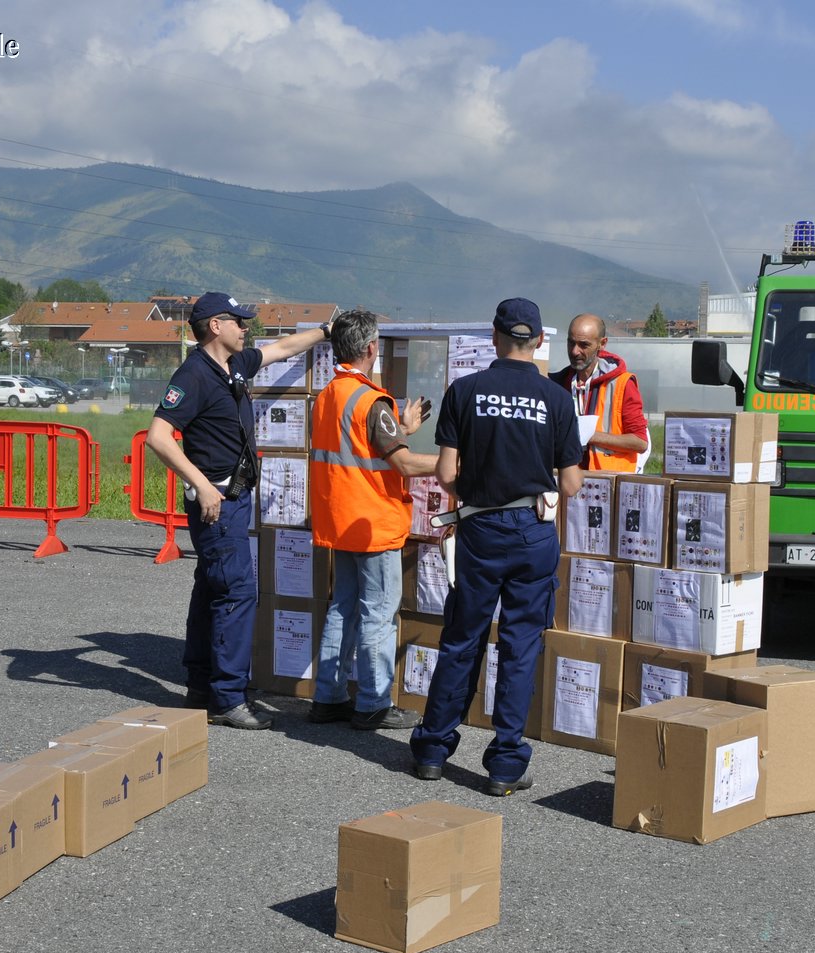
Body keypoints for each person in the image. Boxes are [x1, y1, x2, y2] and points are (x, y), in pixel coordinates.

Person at [410, 297, 582, 795]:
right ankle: (505, 766)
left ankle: (432, 751)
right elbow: (569, 485)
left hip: (480, 531)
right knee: (520, 645)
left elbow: (445, 472)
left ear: (495, 337)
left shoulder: (465, 390)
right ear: (540, 343)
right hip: (532, 531)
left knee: (462, 639)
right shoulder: (556, 399)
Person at [147, 292, 330, 730]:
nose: (247, 328)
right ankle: (228, 698)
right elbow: (158, 436)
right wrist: (201, 485)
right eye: (239, 322)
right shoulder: (194, 375)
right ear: (215, 326)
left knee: (211, 587)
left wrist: (327, 331)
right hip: (218, 501)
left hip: (234, 498)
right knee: (236, 592)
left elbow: (282, 349)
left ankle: (200, 685)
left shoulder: (235, 366)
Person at [307, 309, 438, 730]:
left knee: (342, 609)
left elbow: (356, 451)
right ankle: (373, 703)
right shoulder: (371, 400)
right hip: (373, 523)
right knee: (379, 614)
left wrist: (400, 427)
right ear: (370, 349)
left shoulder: (329, 395)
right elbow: (404, 466)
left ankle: (327, 697)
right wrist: (458, 463)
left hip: (340, 519)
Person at [549, 314, 648, 471]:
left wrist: (588, 435)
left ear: (602, 344)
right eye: (571, 343)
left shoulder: (622, 384)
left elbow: (640, 442)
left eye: (584, 345)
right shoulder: (555, 383)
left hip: (606, 484)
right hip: (564, 481)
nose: (575, 351)